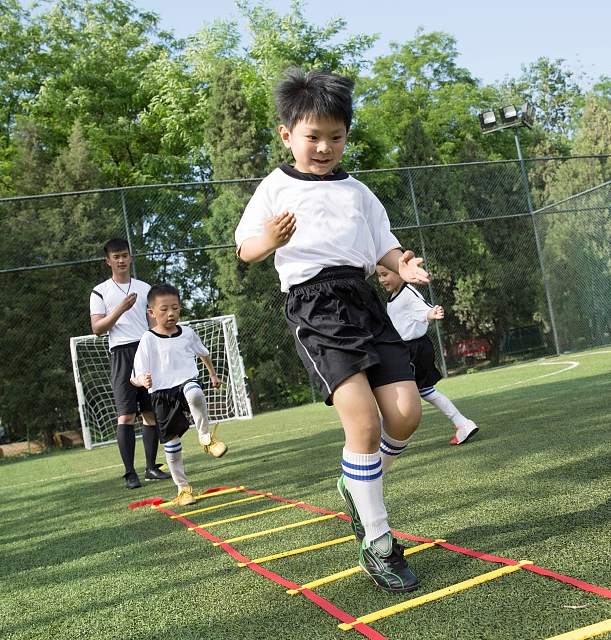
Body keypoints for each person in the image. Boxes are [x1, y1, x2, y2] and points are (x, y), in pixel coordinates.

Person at [235, 68, 428, 594]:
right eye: (312, 137)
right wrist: (268, 239)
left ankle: (355, 480)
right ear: (287, 135)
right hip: (316, 307)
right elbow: (244, 248)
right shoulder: (274, 188)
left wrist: (402, 265)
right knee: (362, 423)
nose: (324, 147)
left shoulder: (358, 192)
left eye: (336, 138)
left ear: (346, 136)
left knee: (406, 415)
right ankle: (378, 539)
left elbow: (383, 245)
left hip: (364, 299)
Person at [132, 283, 228, 507]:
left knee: (195, 393)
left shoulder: (187, 333)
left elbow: (203, 353)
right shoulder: (148, 339)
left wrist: (213, 375)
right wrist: (141, 380)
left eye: (175, 308)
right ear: (151, 313)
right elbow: (134, 375)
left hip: (185, 383)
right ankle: (183, 489)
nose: (171, 313)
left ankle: (205, 437)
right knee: (172, 447)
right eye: (164, 309)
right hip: (161, 395)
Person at [89, 238, 170, 490]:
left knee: (150, 413)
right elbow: (97, 328)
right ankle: (129, 473)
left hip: (145, 351)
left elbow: (153, 324)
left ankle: (151, 468)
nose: (121, 260)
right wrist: (121, 309)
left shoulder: (145, 288)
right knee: (126, 415)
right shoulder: (100, 291)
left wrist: (163, 346)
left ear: (130, 257)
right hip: (121, 355)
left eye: (125, 255)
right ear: (108, 261)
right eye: (116, 257)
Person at [375, 265, 479, 445]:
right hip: (407, 350)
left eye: (385, 274)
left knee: (400, 390)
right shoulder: (394, 295)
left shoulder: (408, 293)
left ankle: (383, 436)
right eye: (379, 276)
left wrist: (432, 314)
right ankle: (462, 423)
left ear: (400, 272)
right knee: (422, 391)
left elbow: (425, 310)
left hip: (413, 350)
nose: (382, 279)